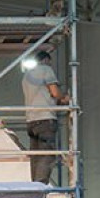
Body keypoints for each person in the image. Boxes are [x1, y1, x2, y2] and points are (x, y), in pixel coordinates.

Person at [22, 50, 70, 183]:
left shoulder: (26, 76)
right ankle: (41, 184)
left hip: (31, 120)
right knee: (47, 154)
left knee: (36, 156)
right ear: (45, 60)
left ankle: (35, 185)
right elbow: (55, 93)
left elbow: (43, 96)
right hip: (45, 119)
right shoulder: (45, 69)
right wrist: (64, 98)